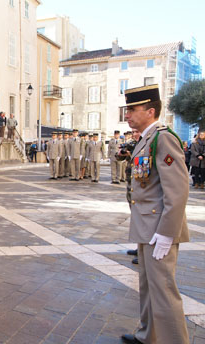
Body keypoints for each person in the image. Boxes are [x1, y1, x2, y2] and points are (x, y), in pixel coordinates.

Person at [120, 84, 190, 344]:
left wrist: (167, 233)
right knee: (148, 286)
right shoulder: (147, 137)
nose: (127, 115)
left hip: (159, 228)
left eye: (132, 109)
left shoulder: (164, 137)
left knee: (163, 290)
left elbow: (178, 190)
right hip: (148, 225)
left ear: (150, 111)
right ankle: (148, 335)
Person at [117, 128, 140, 265]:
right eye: (133, 132)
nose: (135, 134)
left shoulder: (145, 144)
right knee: (136, 218)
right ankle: (140, 247)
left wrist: (133, 154)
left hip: (141, 186)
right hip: (131, 184)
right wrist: (122, 153)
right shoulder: (132, 143)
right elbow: (118, 157)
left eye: (137, 132)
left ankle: (144, 250)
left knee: (142, 219)